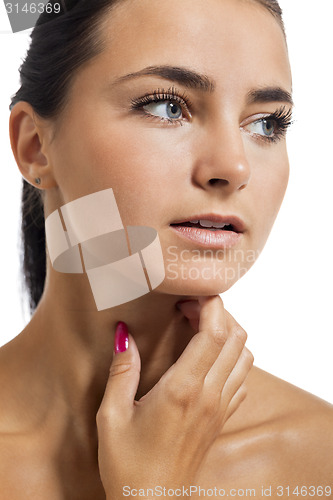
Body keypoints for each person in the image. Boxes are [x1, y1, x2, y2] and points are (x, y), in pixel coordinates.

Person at [1, 0, 332, 498]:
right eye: (166, 106)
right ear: (35, 147)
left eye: (267, 123)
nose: (233, 167)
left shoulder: (318, 459)